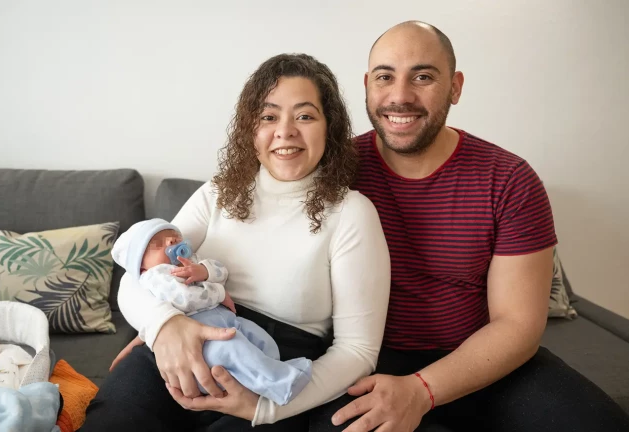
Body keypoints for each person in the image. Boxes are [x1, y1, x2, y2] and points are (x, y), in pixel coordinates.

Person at [309, 21, 629, 432]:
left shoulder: (509, 179)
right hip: (361, 362)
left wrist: (421, 390)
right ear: (368, 85)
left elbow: (517, 324)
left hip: (481, 363)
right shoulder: (333, 172)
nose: (400, 96)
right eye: (385, 77)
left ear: (455, 88)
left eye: (423, 76)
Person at [79, 53, 391, 432]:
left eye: (305, 116)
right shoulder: (218, 193)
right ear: (250, 129)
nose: (286, 131)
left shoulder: (352, 213)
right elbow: (136, 271)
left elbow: (357, 351)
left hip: (270, 370)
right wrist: (161, 326)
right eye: (269, 116)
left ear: (330, 127)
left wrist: (267, 408)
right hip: (185, 335)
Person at [110, 218, 313, 405]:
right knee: (234, 351)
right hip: (200, 333)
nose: (171, 240)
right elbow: (185, 299)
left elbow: (221, 271)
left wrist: (204, 271)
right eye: (158, 243)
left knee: (262, 341)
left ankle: (271, 371)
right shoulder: (156, 276)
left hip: (227, 318)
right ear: (141, 265)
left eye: (174, 236)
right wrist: (218, 292)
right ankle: (281, 385)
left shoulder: (192, 261)